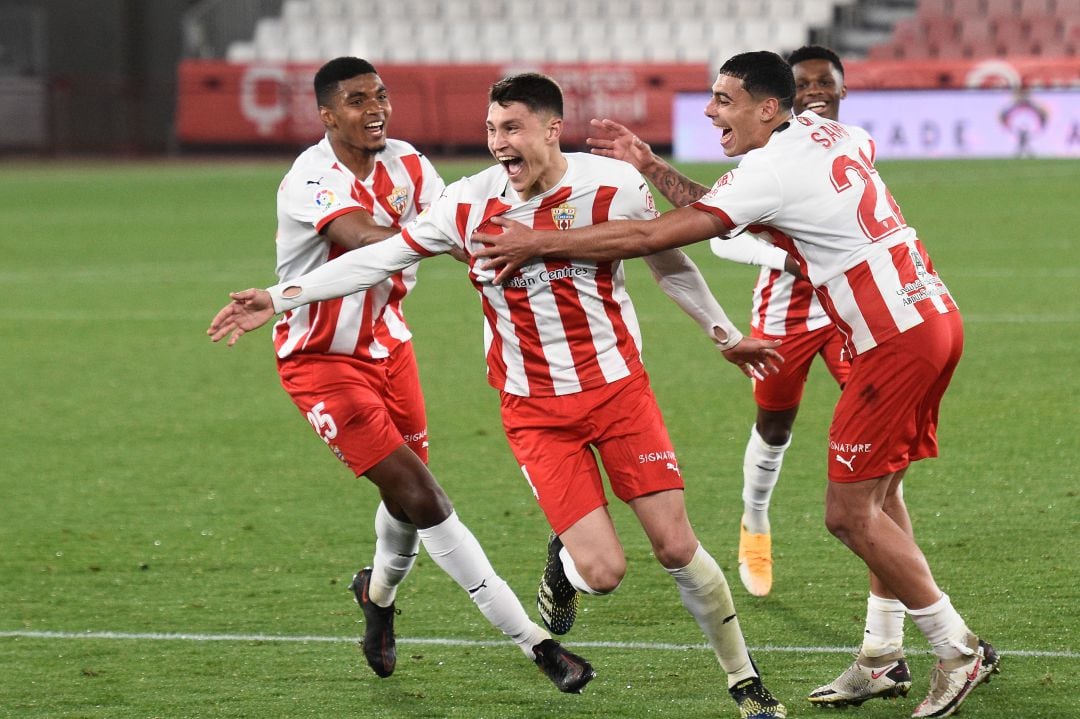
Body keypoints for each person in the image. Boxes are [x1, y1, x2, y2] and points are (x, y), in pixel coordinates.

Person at [209, 71, 788, 719]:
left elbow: (668, 261)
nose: (498, 143)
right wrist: (278, 295)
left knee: (677, 547)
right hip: (536, 413)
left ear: (550, 129)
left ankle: (745, 682)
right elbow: (380, 254)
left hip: (621, 392)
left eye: (511, 128)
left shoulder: (613, 185)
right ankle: (557, 567)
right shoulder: (467, 204)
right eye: (490, 130)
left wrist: (723, 333)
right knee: (603, 572)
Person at [473, 52, 1001, 719]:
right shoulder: (831, 133)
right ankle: (881, 653)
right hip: (931, 313)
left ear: (768, 108)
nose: (709, 111)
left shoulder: (771, 168)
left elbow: (654, 234)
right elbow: (733, 205)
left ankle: (955, 648)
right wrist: (649, 165)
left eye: (723, 99)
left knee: (848, 512)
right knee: (881, 492)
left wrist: (540, 241)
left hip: (889, 337)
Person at [214, 56, 596, 695]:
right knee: (424, 497)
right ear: (327, 115)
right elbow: (362, 236)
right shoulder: (310, 178)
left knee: (403, 499)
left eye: (381, 96)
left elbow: (465, 214)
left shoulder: (410, 164)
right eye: (358, 100)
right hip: (320, 362)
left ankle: (377, 596)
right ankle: (536, 643)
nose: (376, 109)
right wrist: (439, 235)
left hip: (390, 350)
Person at [585, 45, 853, 599]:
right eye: (806, 86)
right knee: (775, 424)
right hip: (787, 309)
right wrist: (794, 258)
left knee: (870, 437)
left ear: (843, 91)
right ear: (782, 100)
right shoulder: (766, 163)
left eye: (827, 83)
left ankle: (886, 612)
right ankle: (755, 519)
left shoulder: (845, 144)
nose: (817, 93)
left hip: (853, 306)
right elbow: (727, 234)